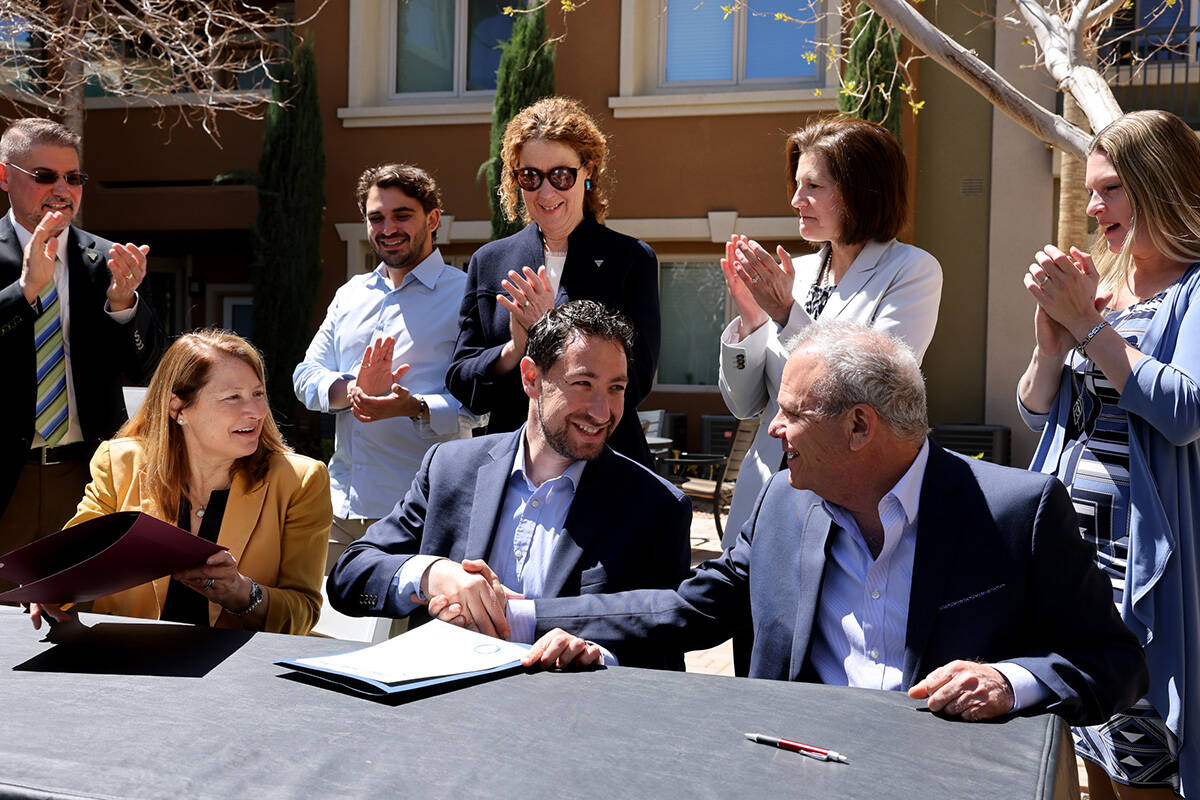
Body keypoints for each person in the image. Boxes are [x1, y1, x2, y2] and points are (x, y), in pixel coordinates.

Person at [451, 321, 1147, 727]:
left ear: (859, 427)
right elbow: (692, 607)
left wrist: (1012, 683)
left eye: (791, 412)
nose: (772, 428)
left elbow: (1115, 665)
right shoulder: (784, 502)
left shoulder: (1015, 513)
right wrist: (523, 617)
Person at [330, 301, 691, 669]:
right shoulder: (450, 469)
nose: (602, 411)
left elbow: (663, 642)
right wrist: (431, 575)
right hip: (443, 710)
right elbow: (350, 575)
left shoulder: (656, 507)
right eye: (583, 383)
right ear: (531, 378)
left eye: (616, 388)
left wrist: (599, 656)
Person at [1017, 109, 1200, 799]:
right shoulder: (1106, 291)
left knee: (1141, 776)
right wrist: (1049, 343)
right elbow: (1037, 412)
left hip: (1140, 580)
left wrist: (1089, 326)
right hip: (1078, 567)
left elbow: (1183, 412)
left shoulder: (1194, 290)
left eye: (1111, 188)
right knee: (1091, 770)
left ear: (1160, 183)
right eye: (1091, 191)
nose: (1093, 208)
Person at [718, 116, 942, 551]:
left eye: (814, 187)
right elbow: (744, 405)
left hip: (846, 500)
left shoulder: (911, 271)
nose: (796, 200)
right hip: (766, 496)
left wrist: (784, 313)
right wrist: (751, 320)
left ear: (861, 191)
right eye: (797, 184)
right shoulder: (794, 274)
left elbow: (875, 387)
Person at [31, 330, 331, 635]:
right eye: (233, 398)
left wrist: (240, 592)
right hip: (129, 663)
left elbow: (303, 613)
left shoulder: (300, 482)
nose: (255, 412)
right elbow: (71, 563)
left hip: (241, 674)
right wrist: (49, 589)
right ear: (178, 408)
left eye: (258, 394)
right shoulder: (119, 463)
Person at [446, 97, 660, 469]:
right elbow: (463, 383)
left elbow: (636, 379)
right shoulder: (490, 262)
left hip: (602, 466)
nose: (546, 192)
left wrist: (549, 331)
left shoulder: (631, 260)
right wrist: (513, 350)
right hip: (512, 466)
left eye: (561, 175)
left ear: (587, 169)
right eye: (530, 176)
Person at [294, 164, 482, 573]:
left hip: (420, 513)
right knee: (326, 634)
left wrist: (413, 406)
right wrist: (352, 391)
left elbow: (480, 405)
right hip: (338, 509)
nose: (387, 228)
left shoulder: (465, 294)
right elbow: (305, 374)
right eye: (376, 217)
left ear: (433, 219)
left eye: (402, 215)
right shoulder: (350, 294)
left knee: (403, 636)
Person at [0, 118, 165, 560]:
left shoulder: (109, 261)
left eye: (73, 178)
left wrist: (122, 306)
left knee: (85, 614)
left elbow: (145, 369)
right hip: (6, 486)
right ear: (5, 176)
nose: (62, 189)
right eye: (44, 176)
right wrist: (25, 292)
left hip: (87, 477)